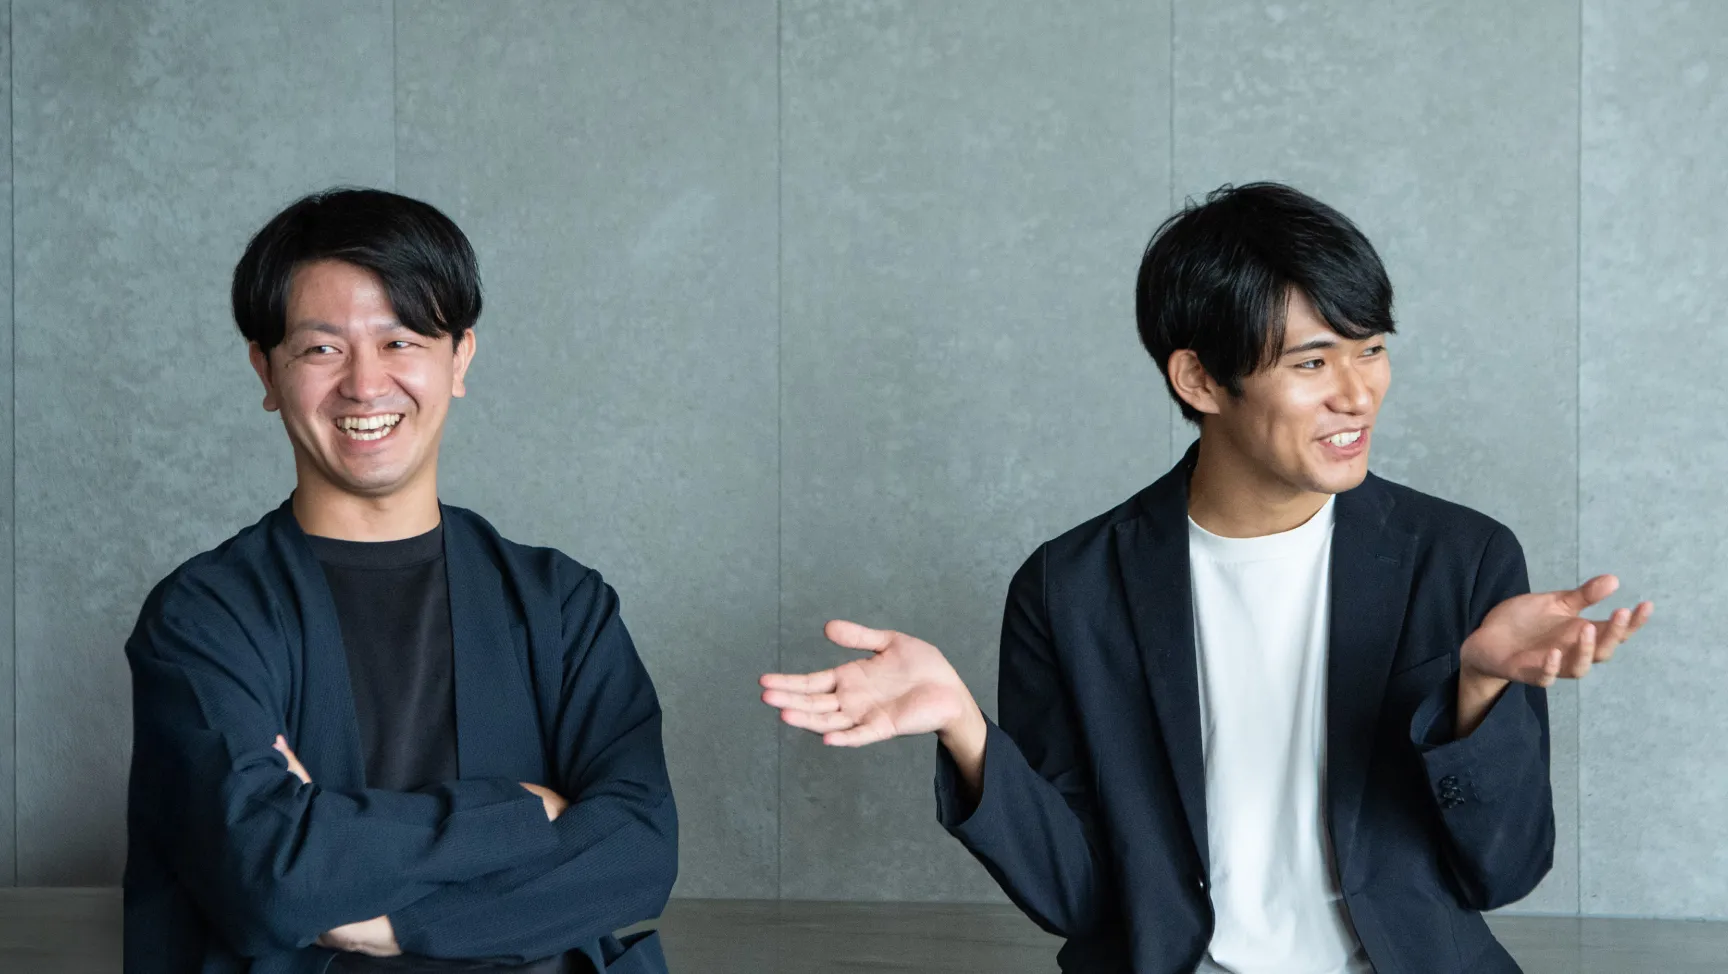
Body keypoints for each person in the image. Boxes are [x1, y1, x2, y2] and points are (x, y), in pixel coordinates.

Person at [761, 182, 1652, 973]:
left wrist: (1479, 694)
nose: (1358, 393)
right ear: (1198, 380)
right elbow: (1077, 899)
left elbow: (1504, 871)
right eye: (1312, 362)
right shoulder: (1071, 589)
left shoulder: (1460, 558)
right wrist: (966, 731)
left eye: (1372, 349)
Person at [123, 188, 676, 974]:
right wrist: (524, 812)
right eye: (322, 350)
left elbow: (639, 852)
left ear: (460, 359)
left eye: (401, 340)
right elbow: (272, 874)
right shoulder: (204, 617)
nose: (365, 384)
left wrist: (391, 923)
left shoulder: (562, 604)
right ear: (267, 371)